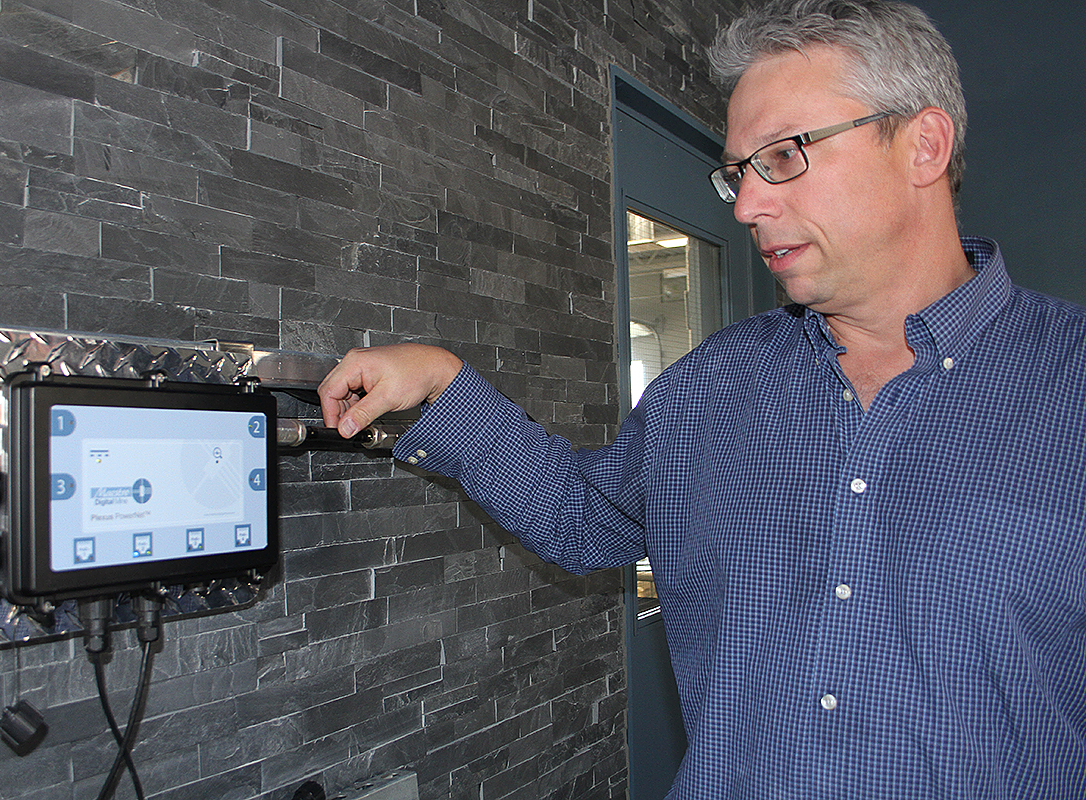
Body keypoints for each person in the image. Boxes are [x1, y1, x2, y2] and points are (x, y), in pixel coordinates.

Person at [318, 0, 1086, 796]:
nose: (750, 206)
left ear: (923, 144)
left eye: (785, 156)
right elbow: (583, 518)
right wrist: (445, 383)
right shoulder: (714, 384)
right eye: (738, 174)